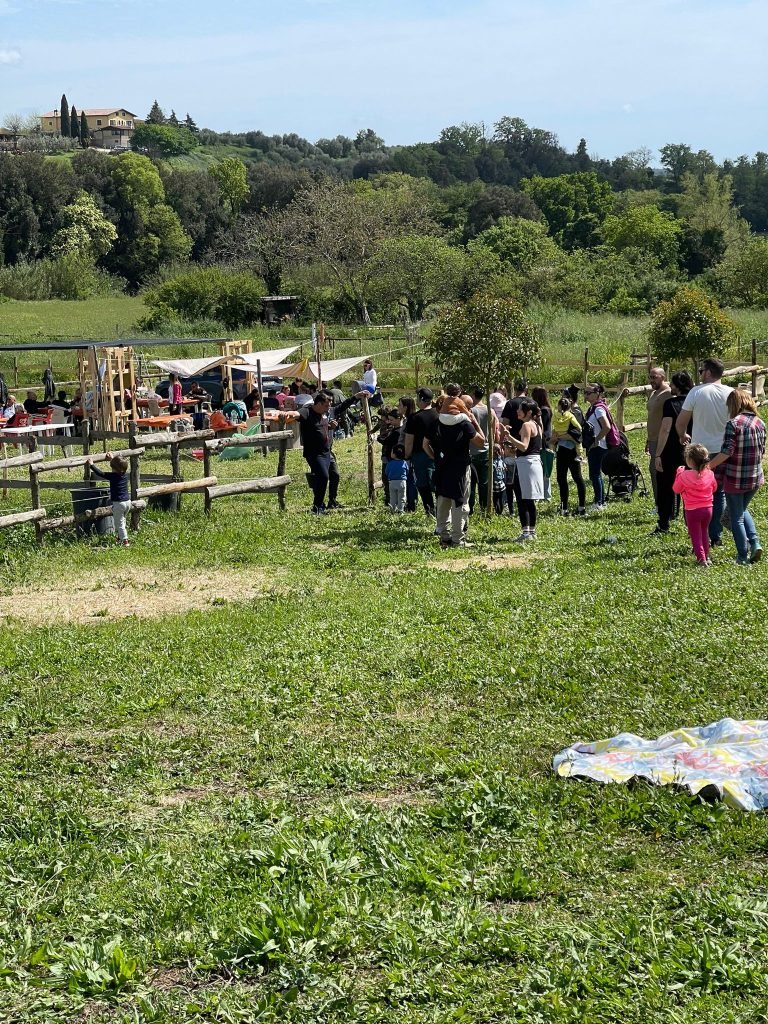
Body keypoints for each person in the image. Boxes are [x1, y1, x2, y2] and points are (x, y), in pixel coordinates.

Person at [676, 358, 732, 547]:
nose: (700, 375)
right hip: (724, 451)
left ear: (707, 372)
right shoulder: (731, 392)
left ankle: (699, 534)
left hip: (700, 452)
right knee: (718, 493)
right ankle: (715, 535)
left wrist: (682, 435)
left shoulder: (696, 392)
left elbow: (681, 422)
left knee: (694, 492)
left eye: (701, 371)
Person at [708, 389, 766, 565]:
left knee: (736, 516)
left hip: (736, 478)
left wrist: (709, 466)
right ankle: (755, 543)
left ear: (734, 404)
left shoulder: (733, 424)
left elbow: (727, 452)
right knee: (741, 510)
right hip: (755, 477)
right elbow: (762, 450)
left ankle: (742, 556)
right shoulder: (760, 422)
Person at [423, 384, 485, 547]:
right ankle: (458, 539)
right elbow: (481, 441)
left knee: (443, 501)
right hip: (460, 466)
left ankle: (444, 537)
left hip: (442, 466)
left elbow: (425, 444)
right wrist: (473, 421)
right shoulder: (464, 424)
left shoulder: (437, 423)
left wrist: (435, 457)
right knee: (460, 503)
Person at [299, 388, 363, 513]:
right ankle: (318, 504)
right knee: (321, 476)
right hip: (315, 451)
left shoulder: (331, 411)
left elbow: (344, 405)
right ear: (320, 402)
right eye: (327, 404)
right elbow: (298, 415)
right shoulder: (310, 412)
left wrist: (356, 396)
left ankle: (332, 501)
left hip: (328, 450)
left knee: (334, 475)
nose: (329, 407)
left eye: (330, 404)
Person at [653, 370, 693, 535]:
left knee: (665, 488)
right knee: (691, 490)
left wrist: (658, 454)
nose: (670, 386)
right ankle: (691, 525)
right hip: (691, 451)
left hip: (670, 452)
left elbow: (665, 429)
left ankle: (664, 524)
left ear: (677, 386)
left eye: (672, 384)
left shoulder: (671, 403)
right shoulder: (695, 402)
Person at [505, 399, 544, 541]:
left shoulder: (527, 425)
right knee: (528, 499)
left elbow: (524, 447)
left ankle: (526, 532)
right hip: (532, 462)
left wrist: (509, 437)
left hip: (526, 464)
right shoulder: (536, 425)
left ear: (528, 412)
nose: (517, 411)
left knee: (522, 498)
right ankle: (531, 531)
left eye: (520, 409)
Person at [673, 443, 717, 567]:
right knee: (704, 532)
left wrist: (678, 474)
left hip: (692, 511)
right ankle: (707, 556)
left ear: (690, 461)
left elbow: (676, 489)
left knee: (695, 535)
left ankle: (701, 559)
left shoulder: (684, 475)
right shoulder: (710, 473)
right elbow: (714, 488)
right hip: (708, 508)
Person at [404, 387, 438, 516]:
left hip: (420, 455)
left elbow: (409, 440)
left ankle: (429, 510)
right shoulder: (437, 414)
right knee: (437, 482)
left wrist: (407, 455)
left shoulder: (415, 418)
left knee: (423, 484)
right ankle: (441, 509)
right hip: (436, 453)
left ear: (421, 399)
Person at [87, 452, 132, 548]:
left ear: (115, 469)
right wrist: (112, 459)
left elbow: (100, 473)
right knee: (122, 520)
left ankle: (125, 541)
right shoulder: (124, 475)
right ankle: (120, 538)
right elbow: (119, 466)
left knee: (119, 523)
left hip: (119, 504)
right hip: (128, 502)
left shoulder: (113, 476)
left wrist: (92, 465)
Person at [551, 395, 586, 515]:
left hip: (561, 450)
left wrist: (557, 437)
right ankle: (580, 507)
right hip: (571, 451)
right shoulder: (571, 417)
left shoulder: (555, 417)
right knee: (577, 478)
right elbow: (578, 430)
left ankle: (565, 507)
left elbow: (553, 433)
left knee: (563, 479)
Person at [584, 383, 612, 510]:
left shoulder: (598, 409)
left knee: (595, 474)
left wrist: (596, 440)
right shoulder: (593, 407)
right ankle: (599, 500)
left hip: (598, 446)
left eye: (588, 393)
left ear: (597, 394)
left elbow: (606, 427)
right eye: (585, 392)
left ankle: (599, 502)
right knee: (595, 474)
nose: (585, 395)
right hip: (594, 445)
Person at [646, 367, 671, 508]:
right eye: (650, 377)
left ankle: (662, 504)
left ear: (663, 377)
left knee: (657, 471)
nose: (651, 380)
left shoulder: (668, 393)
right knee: (654, 471)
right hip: (652, 438)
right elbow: (652, 417)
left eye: (654, 377)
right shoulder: (654, 393)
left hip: (663, 439)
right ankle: (659, 503)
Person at [469, 387, 491, 512]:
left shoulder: (470, 411)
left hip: (472, 451)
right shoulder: (489, 410)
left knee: (471, 483)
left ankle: (470, 508)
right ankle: (484, 507)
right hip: (486, 450)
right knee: (484, 483)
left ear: (473, 394)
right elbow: (493, 431)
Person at [532, 386, 553, 501]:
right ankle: (544, 494)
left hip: (544, 441)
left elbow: (542, 427)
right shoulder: (546, 408)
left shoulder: (544, 410)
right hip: (546, 439)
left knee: (544, 468)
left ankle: (546, 495)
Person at [386, 443, 409, 513]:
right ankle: (400, 510)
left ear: (394, 454)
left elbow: (386, 472)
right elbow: (407, 471)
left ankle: (392, 510)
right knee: (402, 497)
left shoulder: (390, 463)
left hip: (392, 482)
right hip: (402, 482)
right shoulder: (404, 463)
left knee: (393, 497)